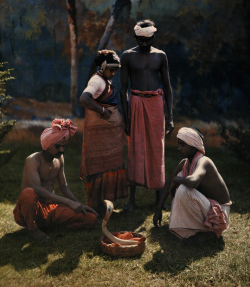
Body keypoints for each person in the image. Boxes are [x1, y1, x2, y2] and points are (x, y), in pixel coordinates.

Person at [13, 118, 98, 243]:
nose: (62, 150)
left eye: (63, 147)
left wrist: (78, 205)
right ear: (48, 144)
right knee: (28, 193)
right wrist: (68, 202)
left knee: (91, 218)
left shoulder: (59, 159)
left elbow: (64, 186)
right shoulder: (33, 160)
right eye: (58, 147)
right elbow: (37, 189)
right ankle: (32, 229)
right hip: (29, 210)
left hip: (50, 209)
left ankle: (49, 225)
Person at [120, 19, 174, 212]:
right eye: (141, 40)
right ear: (135, 37)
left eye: (148, 40)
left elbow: (167, 87)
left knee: (157, 149)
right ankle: (131, 201)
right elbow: (122, 89)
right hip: (135, 103)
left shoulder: (160, 56)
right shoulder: (127, 56)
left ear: (153, 37)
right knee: (135, 149)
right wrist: (126, 117)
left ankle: (160, 199)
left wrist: (170, 117)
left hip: (155, 105)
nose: (144, 44)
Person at [153, 127, 231, 245]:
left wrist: (176, 180)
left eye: (182, 145)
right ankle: (200, 231)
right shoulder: (184, 163)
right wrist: (158, 210)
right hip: (206, 206)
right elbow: (169, 183)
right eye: (178, 144)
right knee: (181, 180)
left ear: (193, 146)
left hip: (219, 213)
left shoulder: (204, 161)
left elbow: (193, 181)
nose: (179, 148)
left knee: (184, 187)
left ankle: (212, 232)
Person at [79, 49, 128, 213]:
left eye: (116, 70)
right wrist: (101, 110)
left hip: (109, 137)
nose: (113, 73)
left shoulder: (105, 80)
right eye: (111, 69)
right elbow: (84, 98)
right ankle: (95, 206)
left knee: (108, 167)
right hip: (99, 137)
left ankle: (103, 204)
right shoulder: (97, 81)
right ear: (102, 67)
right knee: (98, 168)